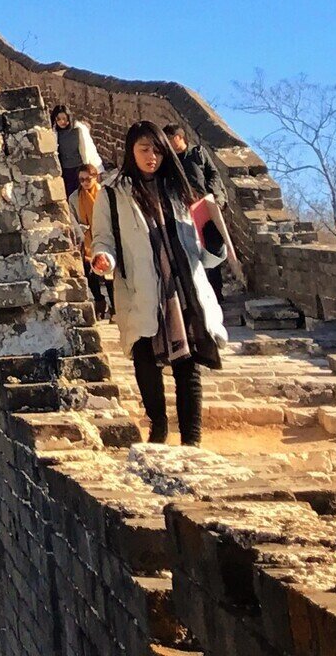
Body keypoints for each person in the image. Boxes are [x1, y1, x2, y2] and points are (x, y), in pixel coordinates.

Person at [91, 120, 228, 447]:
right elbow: (103, 240)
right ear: (131, 151)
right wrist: (103, 259)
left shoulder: (182, 190)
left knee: (189, 364)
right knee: (145, 361)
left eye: (157, 150)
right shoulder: (113, 195)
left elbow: (204, 252)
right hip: (142, 288)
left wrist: (215, 245)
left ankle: (192, 440)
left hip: (184, 287)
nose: (151, 156)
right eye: (144, 149)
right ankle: (159, 426)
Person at [162, 121, 231, 301]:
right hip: (182, 210)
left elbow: (213, 174)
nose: (168, 143)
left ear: (179, 137)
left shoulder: (197, 153)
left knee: (210, 247)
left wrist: (213, 196)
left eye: (170, 139)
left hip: (203, 207)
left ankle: (216, 291)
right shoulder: (168, 161)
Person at [69, 163, 114, 318]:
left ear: (95, 177)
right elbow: (72, 219)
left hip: (105, 236)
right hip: (86, 240)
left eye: (88, 179)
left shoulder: (104, 194)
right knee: (91, 273)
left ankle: (114, 307)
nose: (85, 183)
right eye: (81, 180)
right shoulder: (74, 197)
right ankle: (99, 301)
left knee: (108, 273)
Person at [51, 105, 100, 190]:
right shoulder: (54, 133)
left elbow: (89, 150)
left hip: (80, 169)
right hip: (65, 171)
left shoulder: (78, 130)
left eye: (64, 118)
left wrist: (96, 169)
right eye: (58, 119)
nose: (62, 121)